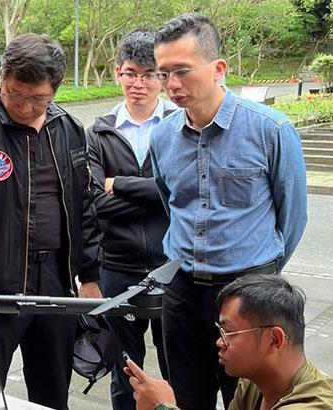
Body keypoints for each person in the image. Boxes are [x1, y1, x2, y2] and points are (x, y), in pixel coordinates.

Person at [0, 33, 102, 410]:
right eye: (13, 94)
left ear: (54, 90)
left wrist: (90, 277)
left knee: (53, 393)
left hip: (55, 284)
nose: (23, 106)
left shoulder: (70, 130)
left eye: (36, 98)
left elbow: (85, 205)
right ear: (1, 78)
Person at [149, 14, 308, 409]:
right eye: (163, 73)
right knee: (187, 394)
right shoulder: (163, 136)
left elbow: (293, 216)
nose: (171, 85)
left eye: (182, 71)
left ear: (218, 68)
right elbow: (171, 202)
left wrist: (261, 275)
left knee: (249, 398)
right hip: (182, 290)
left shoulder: (270, 130)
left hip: (249, 290)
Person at [85, 28, 175, 409]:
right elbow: (91, 204)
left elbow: (181, 193)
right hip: (117, 267)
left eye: (149, 74)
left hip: (173, 266)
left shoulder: (179, 127)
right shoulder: (97, 132)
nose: (139, 83)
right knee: (125, 373)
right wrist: (157, 192)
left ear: (163, 77)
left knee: (177, 369)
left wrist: (117, 184)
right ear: (118, 73)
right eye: (131, 73)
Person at [126, 274, 333, 410]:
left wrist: (162, 407)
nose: (219, 342)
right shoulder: (254, 382)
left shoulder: (313, 405)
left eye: (229, 332)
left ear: (274, 339)